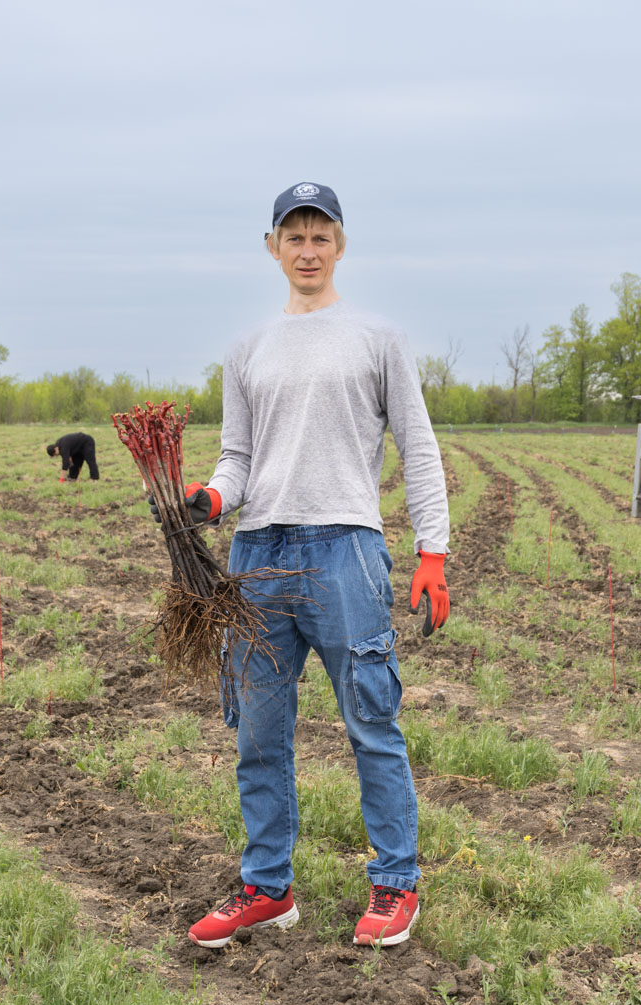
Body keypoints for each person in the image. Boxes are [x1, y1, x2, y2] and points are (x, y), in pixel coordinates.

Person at [177, 181, 451, 951]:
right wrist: (211, 497)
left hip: (345, 549)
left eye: (319, 235)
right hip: (257, 556)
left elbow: (418, 447)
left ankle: (395, 884)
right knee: (258, 733)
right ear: (272, 247)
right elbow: (238, 456)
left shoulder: (376, 336)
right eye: (292, 236)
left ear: (340, 245)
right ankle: (268, 885)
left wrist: (434, 551)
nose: (306, 249)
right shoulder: (247, 349)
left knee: (372, 721)